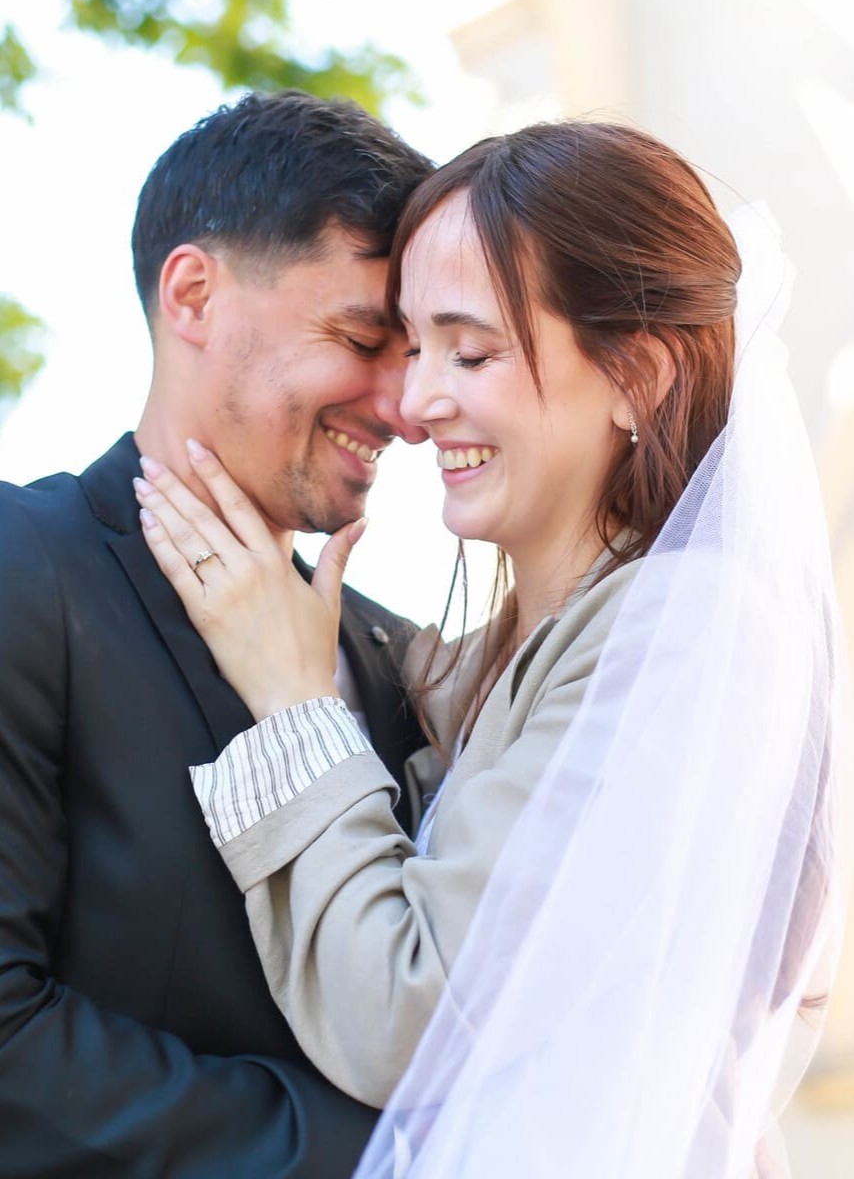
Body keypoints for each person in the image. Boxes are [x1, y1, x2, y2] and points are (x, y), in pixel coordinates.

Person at [136, 122, 848, 1176]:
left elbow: (404, 1015)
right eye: (407, 345)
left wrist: (292, 701)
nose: (415, 404)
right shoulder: (501, 652)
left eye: (467, 352)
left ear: (636, 375)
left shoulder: (684, 631)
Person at [0, 90, 434, 1177]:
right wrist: (403, 1152)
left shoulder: (396, 654)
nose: (405, 405)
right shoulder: (24, 568)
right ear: (193, 294)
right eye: (363, 339)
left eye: (419, 352)